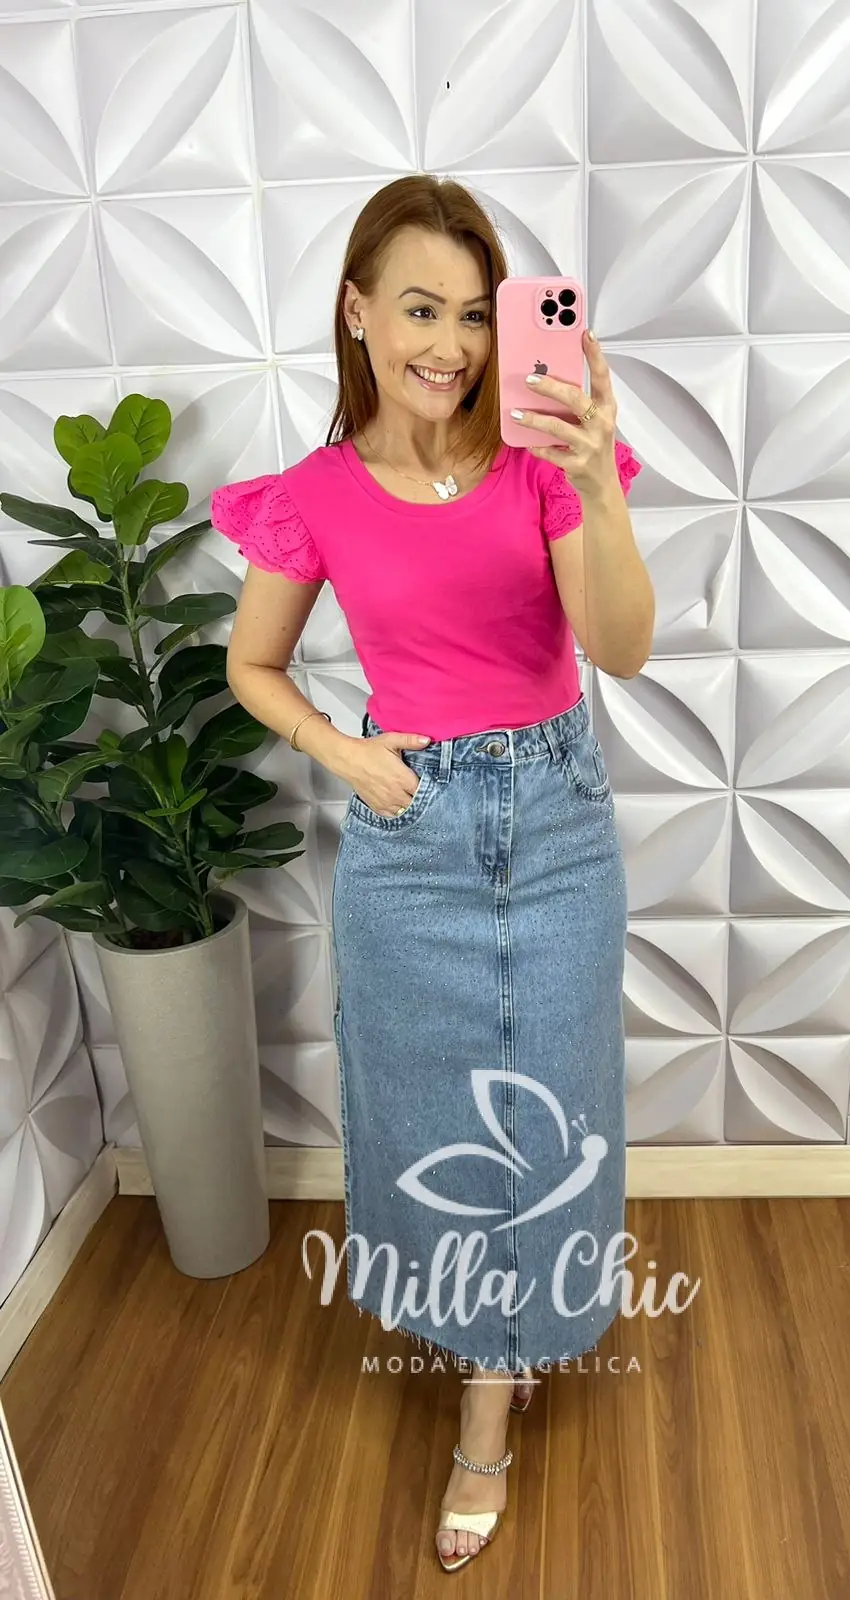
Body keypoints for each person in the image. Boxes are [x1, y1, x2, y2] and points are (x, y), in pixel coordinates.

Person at [210, 174, 652, 1572]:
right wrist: (342, 751)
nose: (451, 346)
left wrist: (596, 480)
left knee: (557, 1111)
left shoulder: (541, 464)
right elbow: (253, 665)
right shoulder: (313, 498)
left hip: (559, 825)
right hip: (410, 846)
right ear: (357, 312)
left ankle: (487, 1414)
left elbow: (623, 648)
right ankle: (481, 1350)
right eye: (419, 309)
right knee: (425, 1118)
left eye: (474, 314)